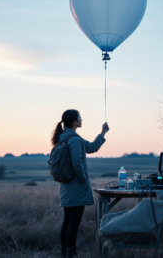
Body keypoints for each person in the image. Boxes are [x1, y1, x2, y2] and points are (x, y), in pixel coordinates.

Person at [51, 109, 109, 258]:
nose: (82, 120)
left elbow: (92, 147)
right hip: (76, 186)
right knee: (74, 223)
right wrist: (83, 179)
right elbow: (77, 163)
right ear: (74, 122)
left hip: (65, 187)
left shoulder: (63, 138)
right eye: (80, 118)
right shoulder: (74, 139)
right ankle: (71, 253)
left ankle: (64, 252)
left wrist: (102, 133)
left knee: (67, 221)